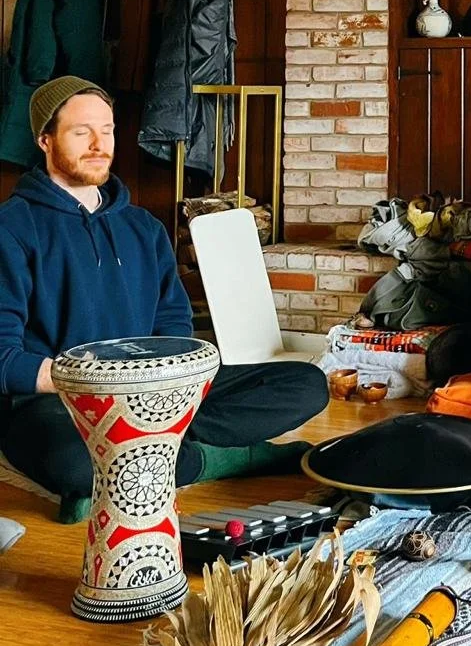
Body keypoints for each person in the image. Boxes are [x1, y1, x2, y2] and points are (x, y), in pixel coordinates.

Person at [0, 76, 328, 523]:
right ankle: (225, 459)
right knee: (73, 464)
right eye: (81, 132)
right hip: (62, 402)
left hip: (156, 393)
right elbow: (4, 355)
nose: (100, 144)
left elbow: (174, 324)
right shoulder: (13, 228)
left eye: (108, 130)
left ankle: (140, 456)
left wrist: (169, 388)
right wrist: (87, 383)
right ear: (45, 140)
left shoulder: (143, 227)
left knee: (306, 385)